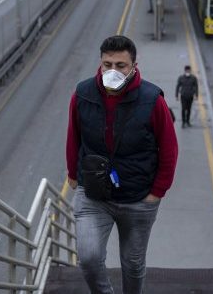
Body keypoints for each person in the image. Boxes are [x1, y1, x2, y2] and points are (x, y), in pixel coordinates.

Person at [66, 35, 178, 294]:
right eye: (108, 64)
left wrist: (157, 192)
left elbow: (169, 148)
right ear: (100, 63)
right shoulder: (82, 94)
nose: (113, 71)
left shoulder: (152, 100)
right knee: (89, 259)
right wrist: (73, 173)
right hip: (93, 194)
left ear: (134, 66)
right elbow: (74, 136)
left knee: (133, 264)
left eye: (120, 65)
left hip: (138, 198)